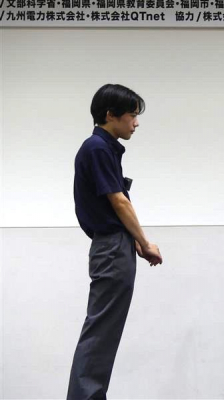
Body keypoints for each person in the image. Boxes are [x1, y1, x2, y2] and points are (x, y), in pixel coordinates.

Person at [68, 84, 163, 399]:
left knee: (104, 332)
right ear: (111, 115)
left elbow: (114, 204)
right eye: (132, 115)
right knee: (101, 332)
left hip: (114, 244)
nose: (136, 123)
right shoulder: (97, 148)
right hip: (111, 248)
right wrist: (144, 242)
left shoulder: (103, 148)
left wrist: (133, 241)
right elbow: (119, 201)